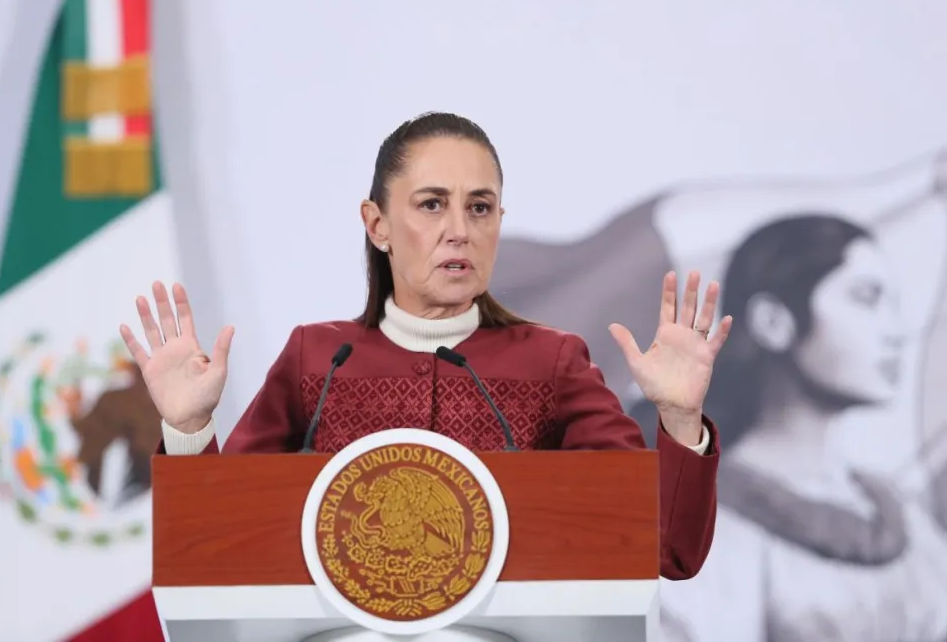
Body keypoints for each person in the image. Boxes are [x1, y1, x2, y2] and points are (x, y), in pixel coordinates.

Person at [119, 111, 733, 580]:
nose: (459, 231)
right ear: (377, 224)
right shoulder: (319, 361)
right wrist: (191, 428)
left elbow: (666, 550)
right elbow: (214, 552)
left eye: (481, 208)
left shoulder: (552, 363)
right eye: (432, 205)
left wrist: (678, 419)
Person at [655, 215, 947, 641]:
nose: (896, 332)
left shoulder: (905, 519)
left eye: (894, 305)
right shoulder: (701, 522)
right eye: (867, 299)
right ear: (775, 321)